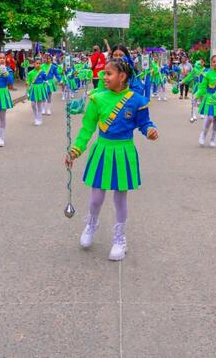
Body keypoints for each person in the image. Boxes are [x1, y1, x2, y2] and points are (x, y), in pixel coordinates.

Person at [65, 58, 158, 261]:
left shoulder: (136, 100)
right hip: (102, 150)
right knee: (96, 197)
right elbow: (87, 128)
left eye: (108, 74)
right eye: (103, 73)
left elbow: (145, 123)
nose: (103, 77)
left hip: (124, 151)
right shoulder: (97, 98)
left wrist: (150, 130)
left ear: (122, 77)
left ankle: (119, 237)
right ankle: (91, 224)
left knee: (120, 197)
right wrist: (75, 150)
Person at [26, 56, 49, 126]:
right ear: (33, 64)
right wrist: (27, 83)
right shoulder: (30, 73)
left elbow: (46, 80)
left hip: (40, 89)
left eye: (39, 63)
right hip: (33, 89)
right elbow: (28, 81)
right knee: (33, 104)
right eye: (37, 63)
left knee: (39, 105)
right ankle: (35, 117)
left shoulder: (43, 72)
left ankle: (39, 118)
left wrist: (46, 82)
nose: (38, 64)